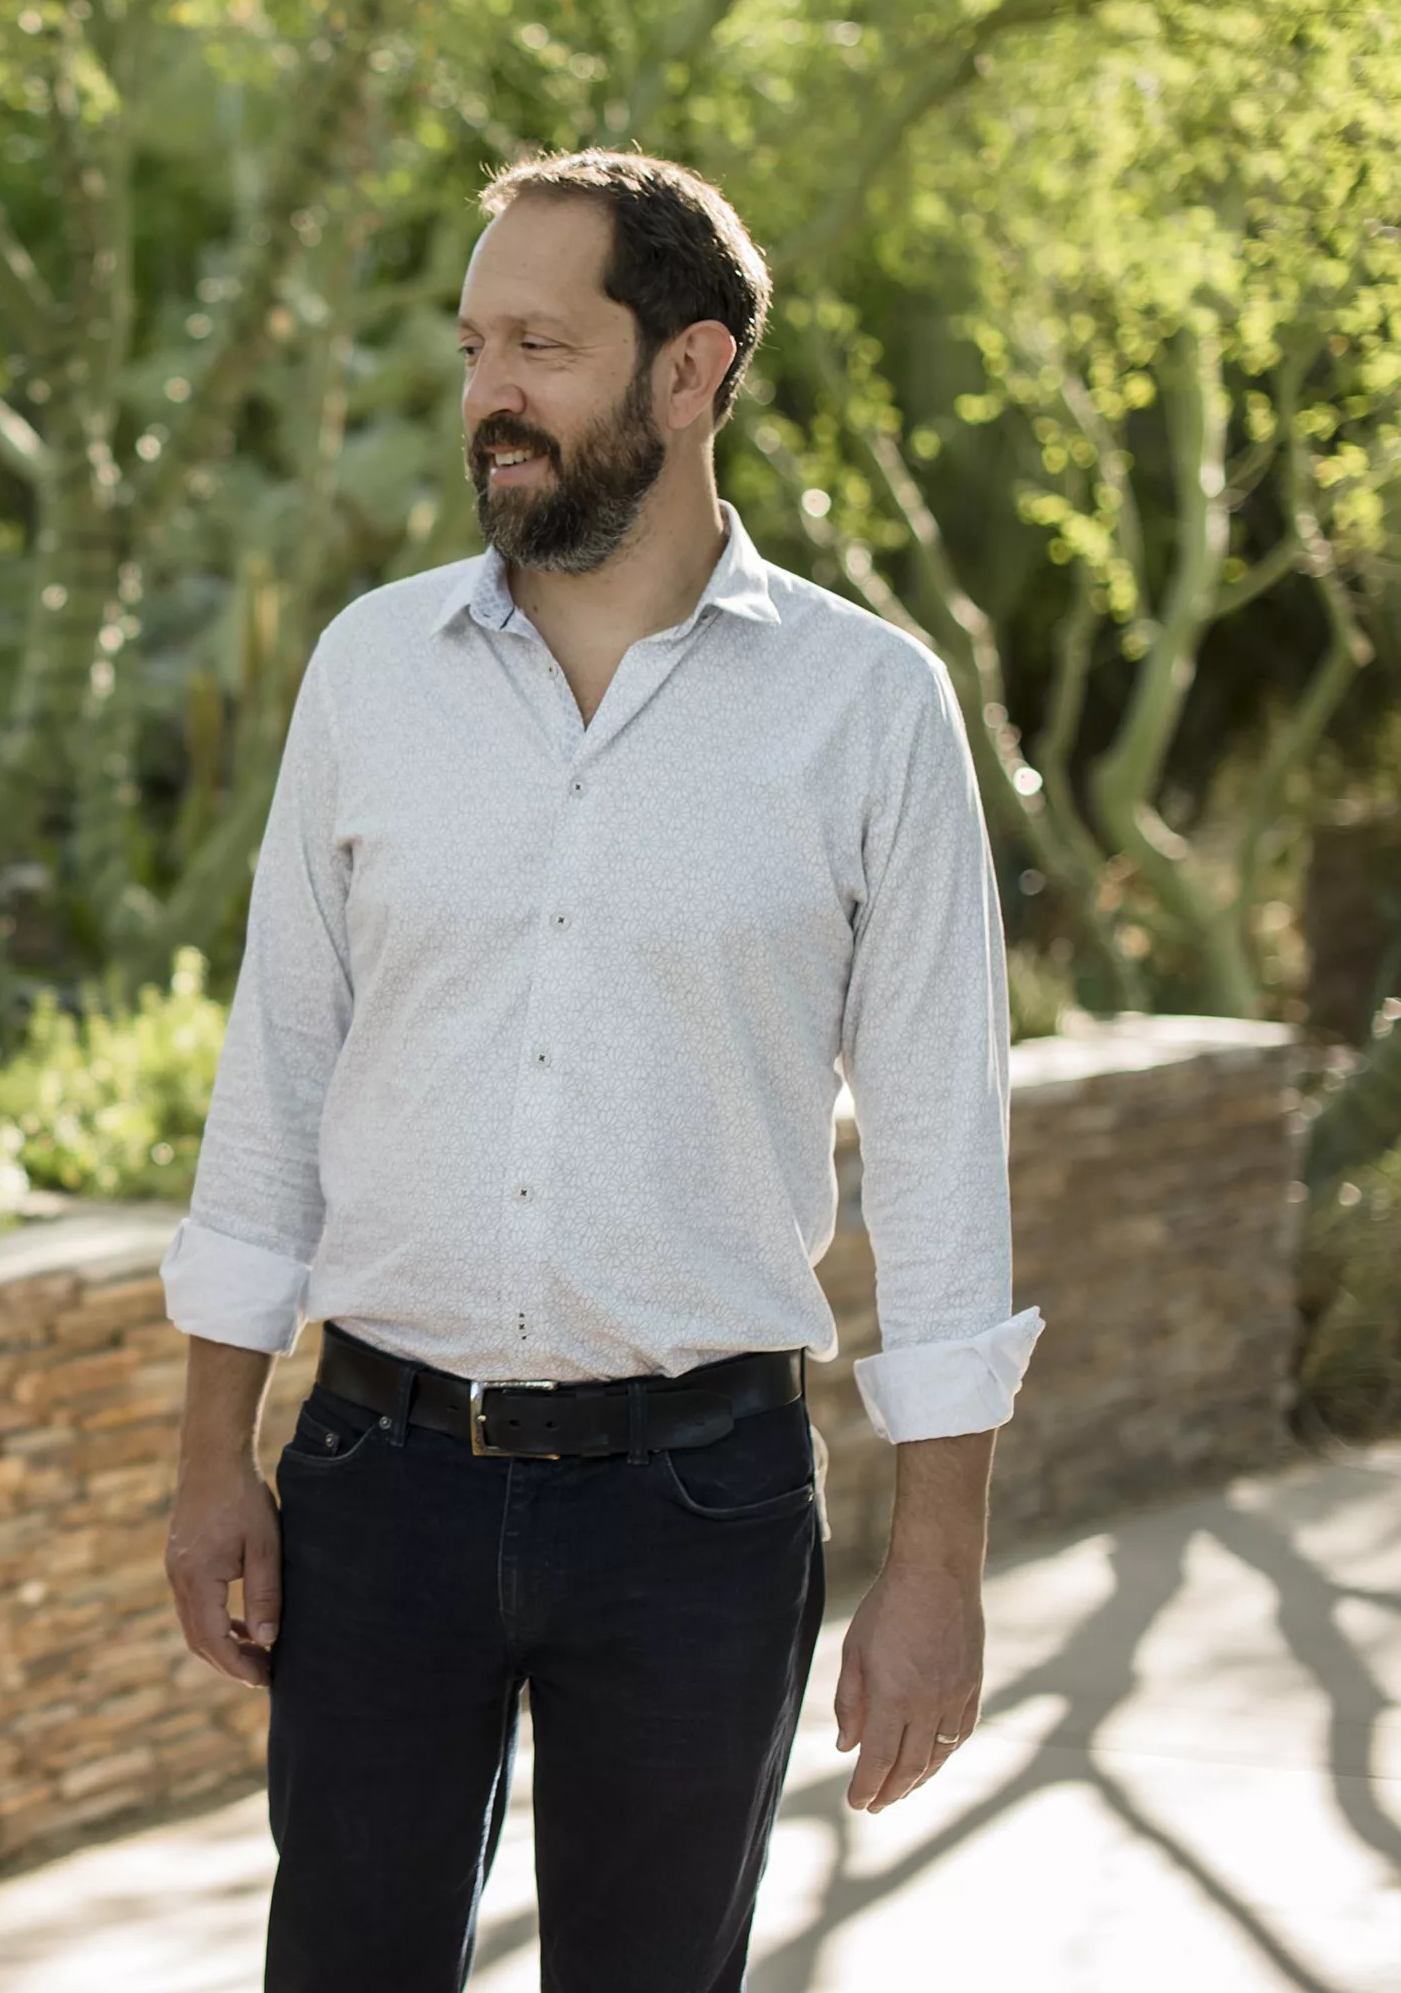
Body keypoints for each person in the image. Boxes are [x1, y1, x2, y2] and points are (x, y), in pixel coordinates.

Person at [161, 151, 1043, 1991]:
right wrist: (209, 1456)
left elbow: (945, 1156)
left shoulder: (869, 710)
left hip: (700, 1511)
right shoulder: (371, 671)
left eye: (543, 346)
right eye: (476, 344)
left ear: (692, 369)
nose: (491, 391)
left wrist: (940, 1568)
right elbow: (278, 1074)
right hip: (376, 1480)